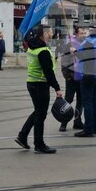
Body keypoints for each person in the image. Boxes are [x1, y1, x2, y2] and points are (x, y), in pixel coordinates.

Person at [15, 24, 63, 153]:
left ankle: (22, 136)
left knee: (38, 112)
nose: (52, 34)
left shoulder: (32, 46)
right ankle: (39, 144)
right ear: (45, 34)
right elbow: (48, 72)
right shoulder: (42, 51)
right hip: (40, 85)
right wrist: (57, 88)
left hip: (31, 82)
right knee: (41, 115)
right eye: (50, 32)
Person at [57, 26, 84, 132]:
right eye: (81, 33)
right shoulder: (70, 45)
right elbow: (64, 62)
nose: (83, 35)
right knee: (68, 100)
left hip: (82, 77)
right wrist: (68, 76)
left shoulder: (85, 45)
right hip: (71, 78)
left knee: (80, 101)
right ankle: (64, 122)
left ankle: (77, 121)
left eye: (84, 33)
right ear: (76, 34)